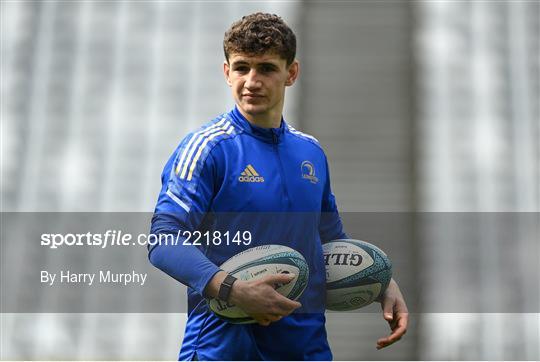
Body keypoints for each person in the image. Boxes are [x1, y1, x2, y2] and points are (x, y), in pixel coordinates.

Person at [149, 12, 408, 361]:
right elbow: (164, 238)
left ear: (291, 73)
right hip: (222, 349)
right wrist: (233, 289)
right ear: (227, 73)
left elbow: (330, 239)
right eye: (241, 68)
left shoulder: (311, 153)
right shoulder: (207, 148)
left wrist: (382, 282)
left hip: (304, 348)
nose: (251, 81)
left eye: (266, 68)